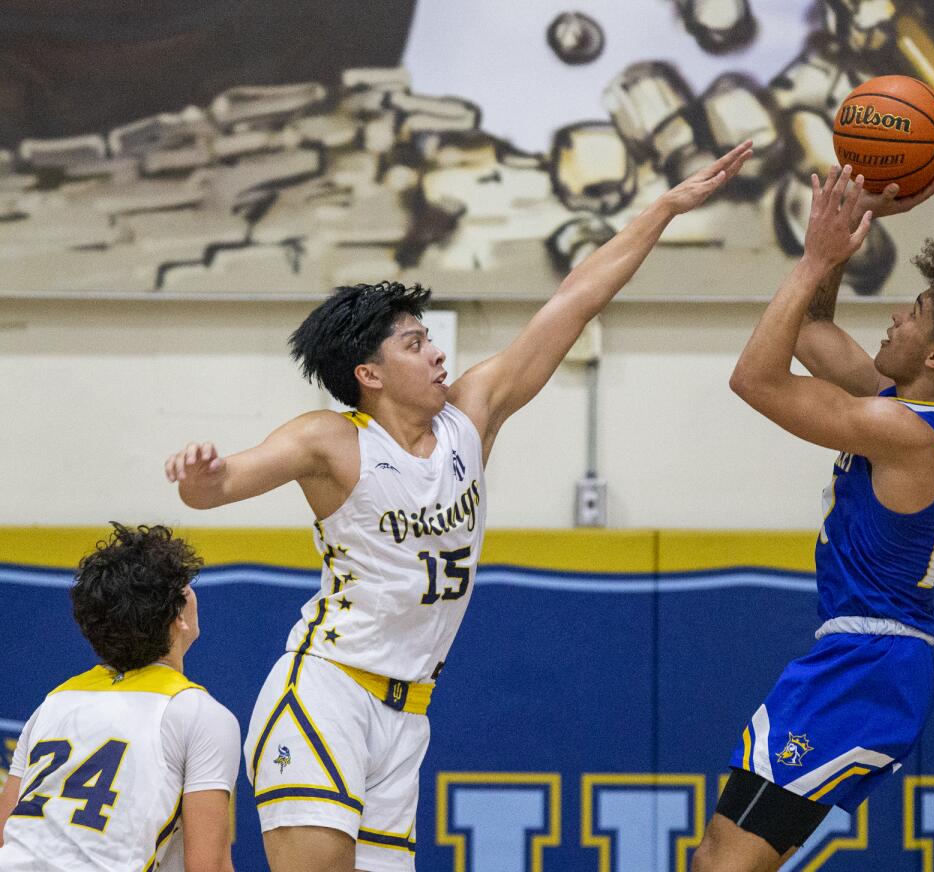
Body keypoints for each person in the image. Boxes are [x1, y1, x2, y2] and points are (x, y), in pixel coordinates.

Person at [162, 142, 753, 872]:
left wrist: (662, 208)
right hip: (325, 695)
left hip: (407, 716)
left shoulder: (471, 415)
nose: (438, 352)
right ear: (369, 373)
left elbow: (576, 299)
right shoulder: (331, 442)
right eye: (416, 342)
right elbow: (220, 485)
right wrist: (198, 475)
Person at [691, 164, 934, 871]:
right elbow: (811, 331)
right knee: (722, 861)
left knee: (723, 866)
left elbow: (754, 379)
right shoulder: (907, 405)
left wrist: (817, 259)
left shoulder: (909, 434)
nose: (894, 317)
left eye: (912, 314)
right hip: (863, 661)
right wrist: (839, 248)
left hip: (867, 666)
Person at [0, 523, 239, 872]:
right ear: (178, 616)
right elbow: (210, 866)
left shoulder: (52, 703)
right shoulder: (201, 714)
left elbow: (8, 834)